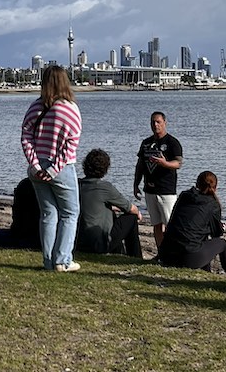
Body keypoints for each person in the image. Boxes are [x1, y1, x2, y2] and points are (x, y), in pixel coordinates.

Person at [21, 65, 82, 272]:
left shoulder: (35, 106)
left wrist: (36, 164)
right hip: (61, 168)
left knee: (48, 214)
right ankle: (62, 260)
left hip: (37, 166)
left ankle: (48, 261)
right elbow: (71, 143)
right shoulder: (70, 108)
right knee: (70, 213)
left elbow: (26, 137)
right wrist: (54, 169)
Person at [158, 171, 226, 280]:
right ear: (215, 187)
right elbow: (216, 234)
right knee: (222, 244)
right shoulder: (213, 204)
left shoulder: (184, 196)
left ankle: (207, 272)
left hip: (166, 253)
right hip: (188, 258)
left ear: (197, 184)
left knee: (199, 236)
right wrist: (221, 228)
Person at [76, 148, 142, 258]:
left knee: (111, 211)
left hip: (79, 242)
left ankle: (118, 252)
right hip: (99, 244)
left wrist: (112, 207)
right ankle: (135, 255)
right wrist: (138, 213)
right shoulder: (104, 187)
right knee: (131, 218)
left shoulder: (78, 185)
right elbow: (131, 208)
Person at [133, 111, 183, 250]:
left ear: (164, 123)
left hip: (166, 190)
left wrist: (164, 163)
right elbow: (140, 165)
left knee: (169, 224)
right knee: (156, 224)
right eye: (153, 122)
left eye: (158, 122)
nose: (155, 125)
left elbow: (178, 164)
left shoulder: (172, 143)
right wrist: (136, 184)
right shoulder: (146, 143)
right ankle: (161, 252)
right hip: (150, 189)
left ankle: (173, 252)